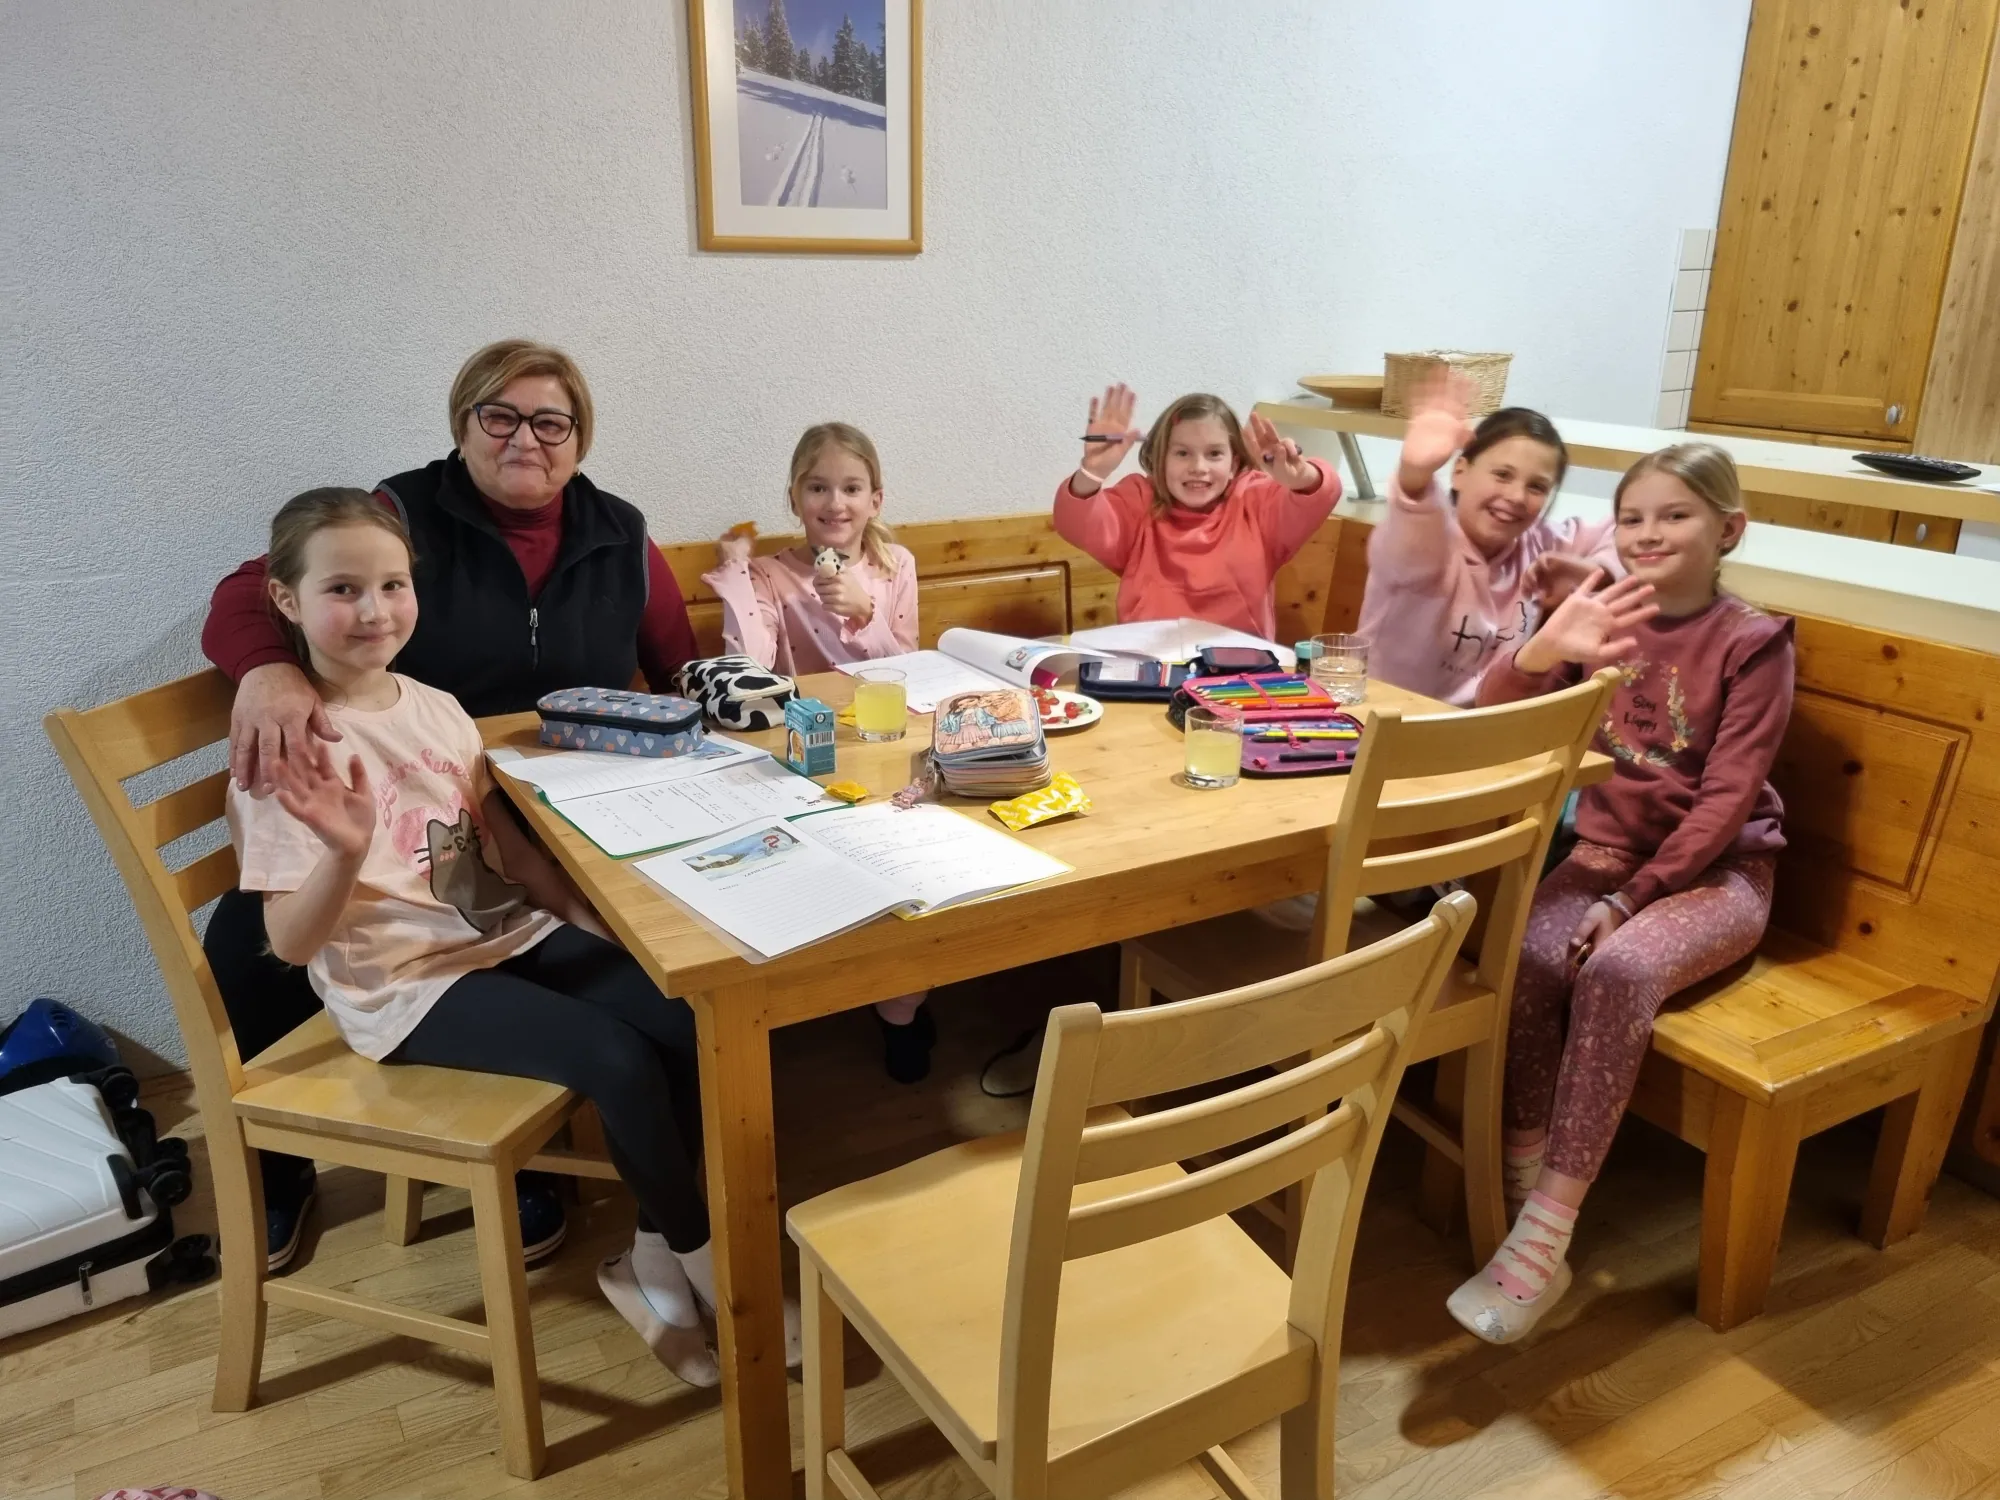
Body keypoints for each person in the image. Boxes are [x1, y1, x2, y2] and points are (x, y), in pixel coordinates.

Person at [200, 339, 699, 1271]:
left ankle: (662, 1240)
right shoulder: (398, 511)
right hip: (389, 862)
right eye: (498, 416)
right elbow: (257, 588)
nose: (525, 439)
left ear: (580, 437)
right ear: (461, 425)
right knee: (246, 937)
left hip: (513, 826)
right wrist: (266, 669)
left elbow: (676, 661)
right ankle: (281, 1175)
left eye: (551, 422)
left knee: (669, 999)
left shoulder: (618, 530)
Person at [226, 487, 730, 1386]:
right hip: (406, 984)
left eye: (393, 585)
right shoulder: (289, 750)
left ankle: (654, 1257)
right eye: (343, 589)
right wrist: (344, 852)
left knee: (684, 1016)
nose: (375, 611)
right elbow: (292, 947)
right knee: (615, 1058)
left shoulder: (436, 706)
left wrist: (594, 929)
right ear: (285, 600)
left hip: (503, 936)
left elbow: (505, 851)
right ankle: (717, 1275)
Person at [1449, 444, 1794, 1344]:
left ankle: (1545, 1235)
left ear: (1728, 530)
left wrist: (1633, 899)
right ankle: (1526, 1189)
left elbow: (1725, 802)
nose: (1647, 533)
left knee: (1617, 972)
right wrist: (1540, 646)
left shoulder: (1753, 642)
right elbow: (1500, 717)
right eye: (1632, 516)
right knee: (1527, 956)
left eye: (1675, 515)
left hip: (1718, 876)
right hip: (1605, 857)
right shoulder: (1602, 614)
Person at [702, 422, 935, 1082]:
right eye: (818, 488)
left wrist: (865, 614)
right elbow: (749, 667)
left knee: (910, 868)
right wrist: (738, 577)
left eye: (852, 489)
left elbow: (909, 669)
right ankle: (821, 995)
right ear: (795, 498)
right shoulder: (772, 575)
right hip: (808, 752)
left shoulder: (895, 567)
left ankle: (903, 1007)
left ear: (876, 500)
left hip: (886, 742)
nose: (836, 503)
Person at [1358, 372, 1620, 707]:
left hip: (1483, 728)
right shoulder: (1432, 542)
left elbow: (1622, 530)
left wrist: (1594, 570)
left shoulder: (1539, 545)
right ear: (1460, 472)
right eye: (1502, 475)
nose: (1516, 496)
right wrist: (1414, 475)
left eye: (1537, 487)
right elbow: (1411, 526)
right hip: (1383, 720)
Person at [1052, 384, 1341, 639]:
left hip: (1239, 672)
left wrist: (1301, 477)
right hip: (1149, 667)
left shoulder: (1255, 501)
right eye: (1182, 453)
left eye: (1214, 454)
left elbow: (1320, 495)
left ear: (1233, 463)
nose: (1198, 467)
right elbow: (1075, 522)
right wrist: (1092, 472)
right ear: (1160, 459)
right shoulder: (1139, 502)